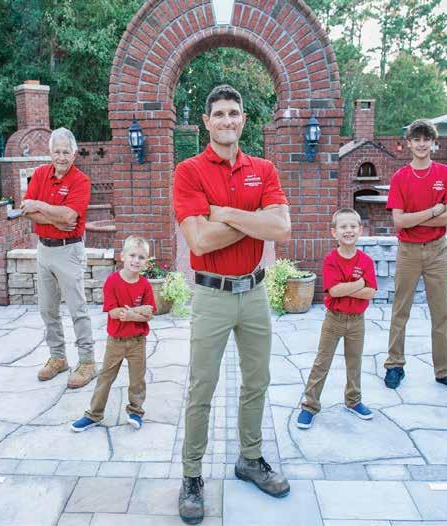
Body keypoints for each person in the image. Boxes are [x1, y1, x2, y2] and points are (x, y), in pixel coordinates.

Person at [173, 85, 291, 524]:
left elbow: (281, 229)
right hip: (212, 295)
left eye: (234, 113)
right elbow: (199, 240)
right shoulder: (188, 171)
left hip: (255, 293)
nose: (227, 120)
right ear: (207, 121)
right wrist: (256, 220)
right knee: (202, 388)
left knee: (257, 381)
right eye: (219, 113)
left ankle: (250, 459)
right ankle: (191, 476)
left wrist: (223, 212)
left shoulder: (263, 168)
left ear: (244, 119)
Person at [383, 119, 447, 394]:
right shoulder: (400, 177)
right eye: (416, 139)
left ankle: (445, 371)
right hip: (408, 251)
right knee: (400, 310)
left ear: (433, 142)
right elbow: (399, 222)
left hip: (437, 250)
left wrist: (416, 219)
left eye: (426, 139)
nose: (421, 144)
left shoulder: (445, 173)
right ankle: (394, 364)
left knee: (441, 312)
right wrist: (433, 211)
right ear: (408, 143)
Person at [21, 127, 96, 389]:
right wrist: (54, 217)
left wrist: (40, 206)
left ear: (74, 154)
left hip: (69, 250)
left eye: (66, 152)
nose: (61, 157)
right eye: (57, 151)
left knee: (77, 309)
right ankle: (58, 357)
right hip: (44, 250)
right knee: (47, 309)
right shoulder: (40, 174)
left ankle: (87, 362)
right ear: (50, 152)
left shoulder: (81, 181)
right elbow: (26, 209)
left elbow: (69, 217)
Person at [297, 208, 377, 429]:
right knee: (322, 362)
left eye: (353, 226)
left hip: (357, 320)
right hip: (334, 319)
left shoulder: (366, 261)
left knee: (354, 362)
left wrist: (347, 288)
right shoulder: (331, 259)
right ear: (334, 232)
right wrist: (359, 284)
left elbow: (370, 292)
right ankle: (309, 405)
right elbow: (333, 291)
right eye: (343, 227)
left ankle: (353, 401)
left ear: (360, 230)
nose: (348, 230)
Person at [70, 236, 156, 432]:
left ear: (146, 261)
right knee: (105, 378)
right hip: (116, 341)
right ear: (122, 256)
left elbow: (150, 313)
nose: (136, 260)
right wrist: (138, 312)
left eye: (141, 257)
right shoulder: (112, 281)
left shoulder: (145, 285)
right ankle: (94, 414)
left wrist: (132, 314)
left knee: (137, 379)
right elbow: (114, 313)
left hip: (137, 341)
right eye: (132, 255)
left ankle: (135, 411)